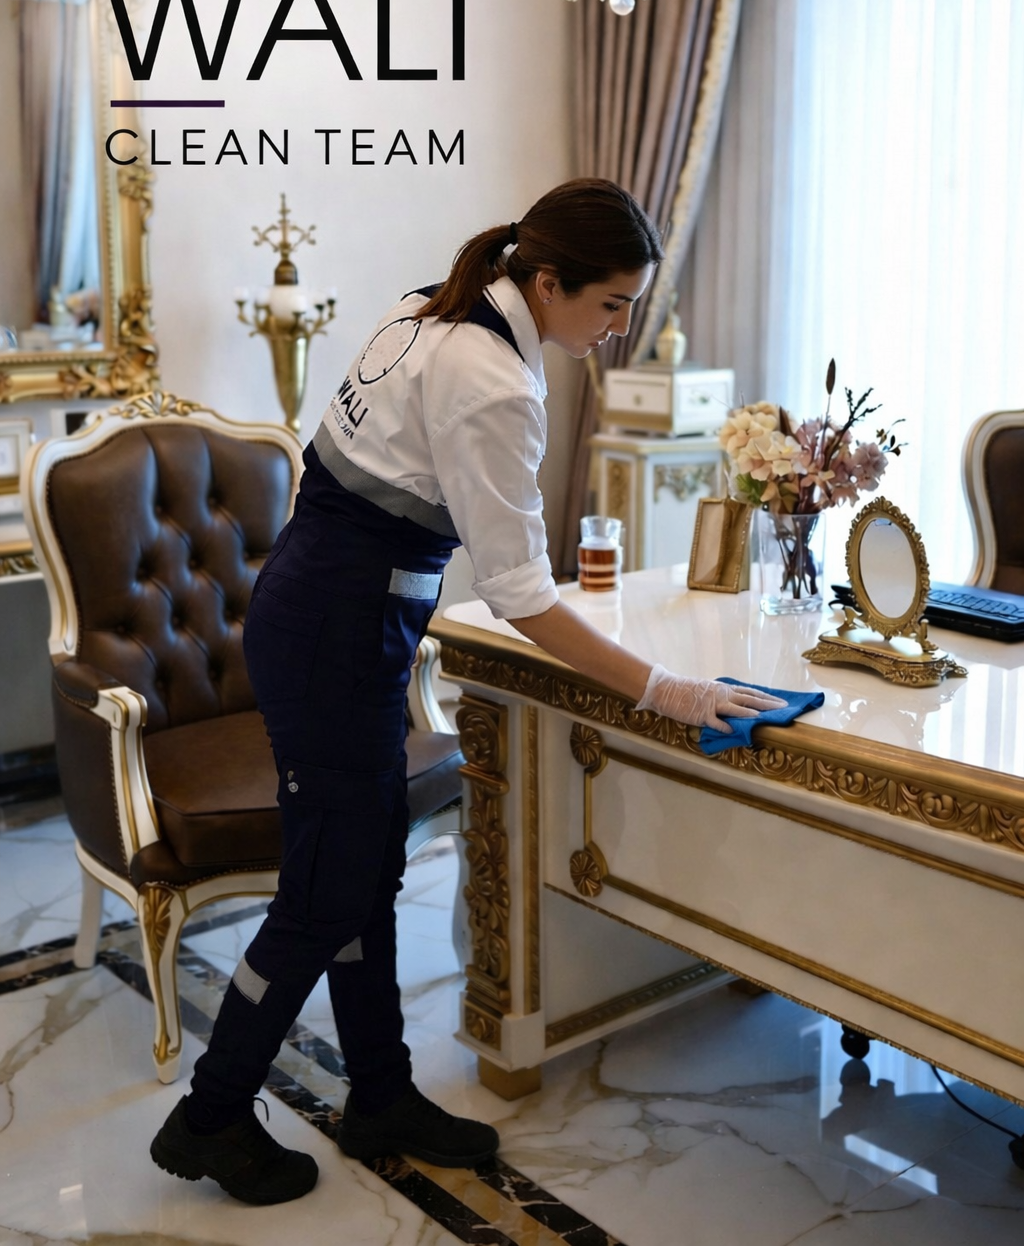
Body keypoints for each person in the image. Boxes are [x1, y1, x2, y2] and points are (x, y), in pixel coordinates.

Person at [150, 178, 784, 1205]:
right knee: (323, 895)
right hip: (334, 638)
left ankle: (380, 1093)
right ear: (550, 281)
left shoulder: (429, 304)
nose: (618, 329)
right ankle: (210, 1116)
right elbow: (521, 592)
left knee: (369, 871)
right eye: (611, 304)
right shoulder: (491, 380)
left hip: (336, 618)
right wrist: (664, 688)